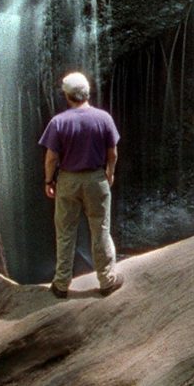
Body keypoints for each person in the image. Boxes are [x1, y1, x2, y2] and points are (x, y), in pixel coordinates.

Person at [38, 71, 121, 298]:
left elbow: (51, 158)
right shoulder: (104, 118)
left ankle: (61, 284)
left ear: (67, 96)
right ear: (87, 93)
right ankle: (107, 281)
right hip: (96, 179)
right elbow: (112, 153)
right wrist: (110, 172)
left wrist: (49, 180)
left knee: (65, 232)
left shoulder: (58, 122)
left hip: (68, 180)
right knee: (100, 230)